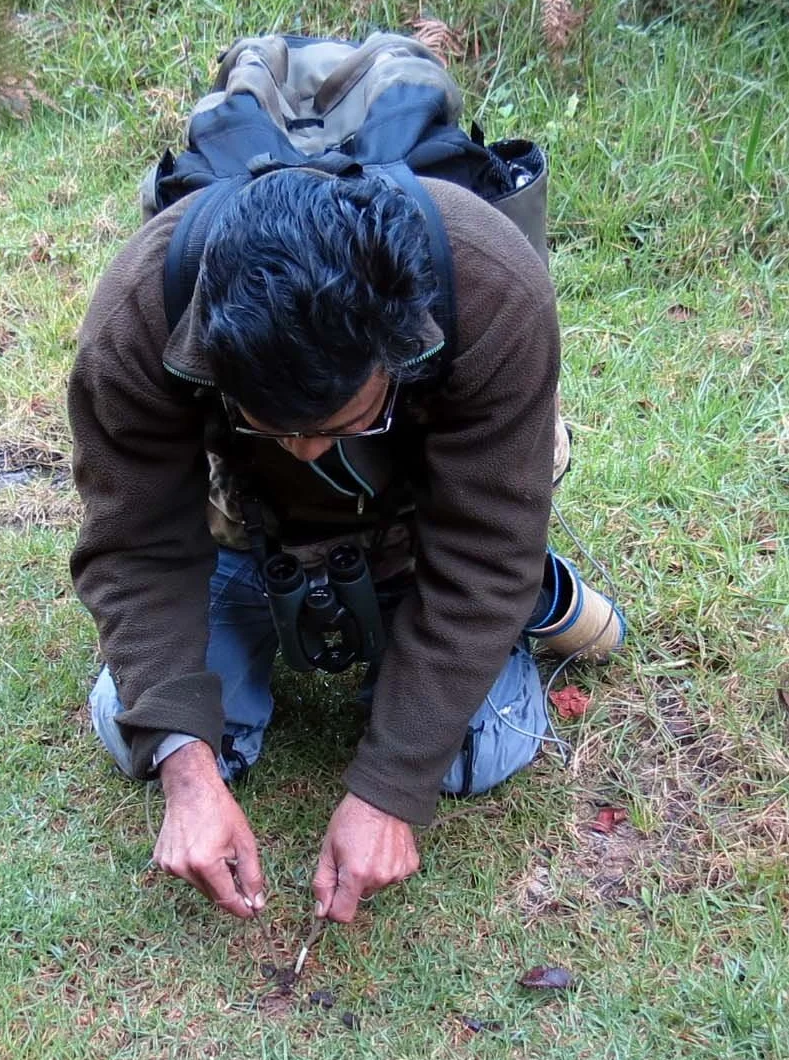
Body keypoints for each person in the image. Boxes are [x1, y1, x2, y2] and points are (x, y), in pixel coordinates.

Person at [68, 165, 590, 924]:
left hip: (426, 520)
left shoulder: (492, 289)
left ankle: (502, 604)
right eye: (274, 425)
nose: (306, 451)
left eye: (339, 424)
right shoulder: (140, 313)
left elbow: (484, 554)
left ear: (397, 350)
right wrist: (185, 770)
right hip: (245, 524)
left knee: (480, 755)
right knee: (142, 732)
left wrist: (388, 790)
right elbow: (133, 542)